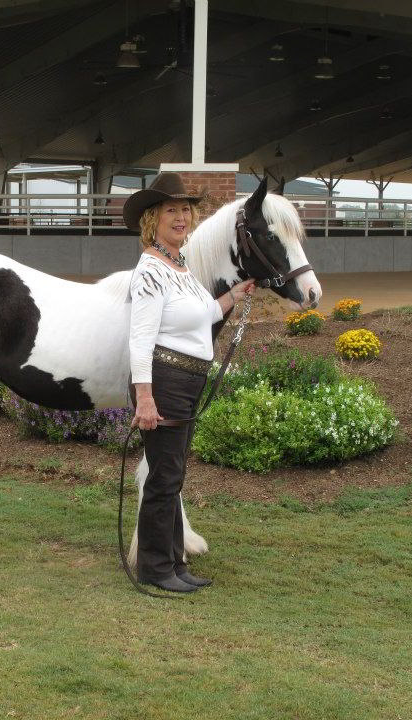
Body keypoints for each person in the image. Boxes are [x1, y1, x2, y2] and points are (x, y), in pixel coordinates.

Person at [124, 172, 254, 593]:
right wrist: (145, 398)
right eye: (171, 210)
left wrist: (234, 295)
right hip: (164, 383)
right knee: (164, 479)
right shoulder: (150, 271)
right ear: (153, 218)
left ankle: (173, 563)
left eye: (185, 210)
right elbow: (140, 340)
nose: (181, 217)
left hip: (185, 382)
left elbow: (204, 315)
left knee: (173, 476)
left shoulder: (180, 268)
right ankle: (155, 568)